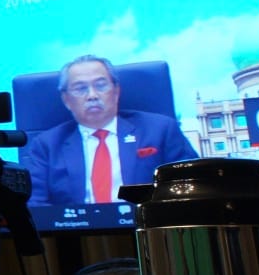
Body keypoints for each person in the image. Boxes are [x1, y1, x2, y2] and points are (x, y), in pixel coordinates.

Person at [23, 55, 198, 212]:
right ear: (66, 100)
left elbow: (191, 186)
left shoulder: (160, 130)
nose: (92, 95)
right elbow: (35, 203)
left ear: (116, 91)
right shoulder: (46, 145)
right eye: (80, 88)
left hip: (151, 232)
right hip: (75, 240)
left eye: (101, 85)